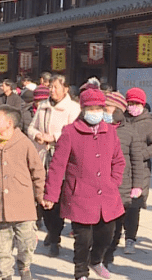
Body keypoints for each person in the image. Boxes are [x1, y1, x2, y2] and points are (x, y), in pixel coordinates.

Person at [43, 87, 125, 280]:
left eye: (99, 108)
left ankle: (96, 260)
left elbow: (118, 160)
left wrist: (113, 182)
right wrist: (50, 195)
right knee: (83, 238)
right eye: (91, 108)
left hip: (107, 193)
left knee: (108, 233)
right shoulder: (70, 132)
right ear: (83, 109)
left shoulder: (110, 131)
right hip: (80, 195)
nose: (95, 112)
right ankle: (81, 272)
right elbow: (57, 166)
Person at [0, 105, 46, 280]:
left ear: (9, 123)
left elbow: (38, 171)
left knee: (26, 242)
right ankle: (5, 274)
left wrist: (41, 196)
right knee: (1, 246)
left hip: (23, 205)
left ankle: (24, 267)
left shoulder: (24, 143)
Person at [27, 74, 82, 256]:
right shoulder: (43, 106)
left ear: (66, 89)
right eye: (50, 87)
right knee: (43, 197)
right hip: (42, 156)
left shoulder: (73, 109)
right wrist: (37, 136)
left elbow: (74, 131)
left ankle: (55, 236)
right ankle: (51, 231)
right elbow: (31, 127)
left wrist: (54, 137)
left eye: (56, 87)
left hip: (62, 158)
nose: (52, 90)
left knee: (57, 199)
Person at [111, 87, 152, 257]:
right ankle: (114, 237)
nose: (132, 106)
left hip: (141, 171)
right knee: (118, 205)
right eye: (130, 103)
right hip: (122, 171)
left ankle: (130, 238)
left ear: (142, 104)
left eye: (136, 103)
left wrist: (142, 154)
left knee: (133, 207)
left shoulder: (148, 123)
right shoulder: (121, 120)